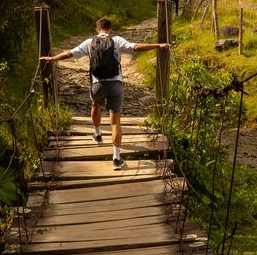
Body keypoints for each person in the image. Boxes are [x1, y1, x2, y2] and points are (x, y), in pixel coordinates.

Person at [40, 18, 169, 170]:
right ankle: (116, 157)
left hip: (97, 84)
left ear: (97, 29)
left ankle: (98, 134)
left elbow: (70, 53)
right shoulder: (117, 40)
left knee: (95, 105)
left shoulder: (89, 42)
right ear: (111, 29)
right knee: (115, 122)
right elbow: (136, 47)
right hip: (116, 85)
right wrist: (158, 45)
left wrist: (52, 58)